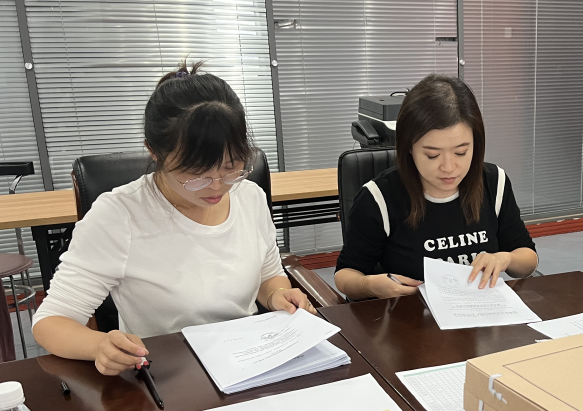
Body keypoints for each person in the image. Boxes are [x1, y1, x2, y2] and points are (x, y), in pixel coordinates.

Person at [32, 61, 315, 376]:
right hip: (169, 374)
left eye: (231, 167)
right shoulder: (119, 216)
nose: (217, 186)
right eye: (196, 174)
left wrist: (277, 295)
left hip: (248, 363)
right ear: (154, 152)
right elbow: (51, 322)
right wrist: (99, 345)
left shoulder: (249, 197)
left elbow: (267, 275)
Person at [335, 73, 538, 299]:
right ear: (409, 147)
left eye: (461, 152)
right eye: (432, 155)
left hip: (479, 313)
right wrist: (369, 285)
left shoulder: (493, 181)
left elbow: (528, 259)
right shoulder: (379, 197)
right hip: (412, 315)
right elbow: (345, 274)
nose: (449, 167)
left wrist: (505, 258)